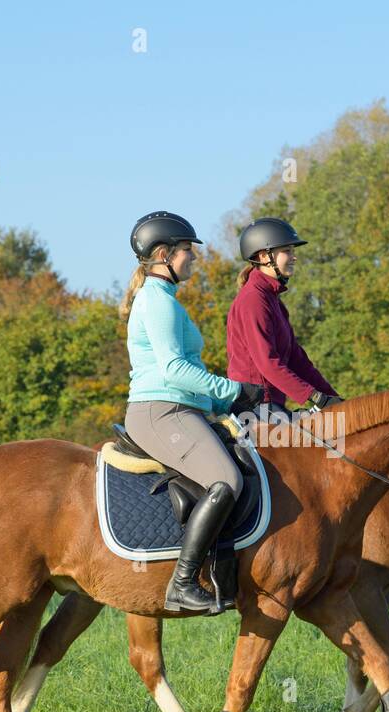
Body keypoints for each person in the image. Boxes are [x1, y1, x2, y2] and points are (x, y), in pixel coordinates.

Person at [120, 211, 262, 613]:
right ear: (163, 254)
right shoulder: (156, 300)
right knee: (226, 478)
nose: (194, 258)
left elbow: (188, 373)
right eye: (188, 251)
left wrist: (225, 402)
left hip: (181, 408)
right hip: (160, 413)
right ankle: (182, 583)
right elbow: (174, 370)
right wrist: (232, 388)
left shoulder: (165, 299)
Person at [226, 217, 342, 424]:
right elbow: (267, 363)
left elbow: (298, 360)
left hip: (272, 407)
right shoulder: (253, 300)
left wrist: (334, 398)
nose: (294, 257)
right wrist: (315, 397)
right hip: (254, 409)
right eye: (287, 251)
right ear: (263, 257)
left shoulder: (273, 300)